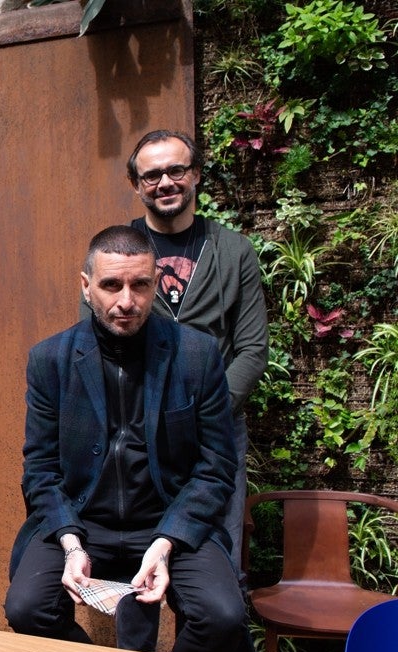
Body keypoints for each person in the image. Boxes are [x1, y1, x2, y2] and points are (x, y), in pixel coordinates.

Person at [6, 225, 254, 652]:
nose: (126, 301)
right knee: (26, 608)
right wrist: (70, 543)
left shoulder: (196, 355)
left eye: (140, 285)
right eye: (111, 285)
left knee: (223, 616)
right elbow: (39, 469)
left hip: (168, 518)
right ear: (86, 287)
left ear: (155, 283)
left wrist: (164, 543)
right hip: (82, 520)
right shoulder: (50, 360)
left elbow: (216, 466)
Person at [89, 130, 268, 569]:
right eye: (151, 175)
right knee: (137, 563)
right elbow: (94, 339)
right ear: (136, 185)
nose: (165, 182)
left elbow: (251, 349)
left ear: (196, 176)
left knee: (217, 564)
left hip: (217, 433)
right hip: (134, 431)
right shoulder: (115, 250)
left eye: (176, 170)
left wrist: (203, 414)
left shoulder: (233, 251)